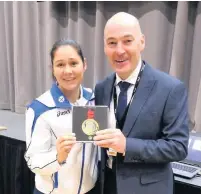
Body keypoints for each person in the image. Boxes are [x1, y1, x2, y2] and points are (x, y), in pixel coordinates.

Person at [93, 12, 189, 194]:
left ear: (142, 42)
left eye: (127, 41)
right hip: (109, 185)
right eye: (112, 42)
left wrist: (127, 146)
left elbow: (178, 147)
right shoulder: (101, 88)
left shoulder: (170, 88)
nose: (119, 50)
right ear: (105, 47)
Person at [25, 39, 99, 194]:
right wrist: (58, 156)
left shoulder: (94, 99)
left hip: (90, 189)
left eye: (73, 63)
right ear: (52, 69)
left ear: (84, 64)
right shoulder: (40, 109)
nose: (68, 71)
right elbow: (33, 162)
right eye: (60, 64)